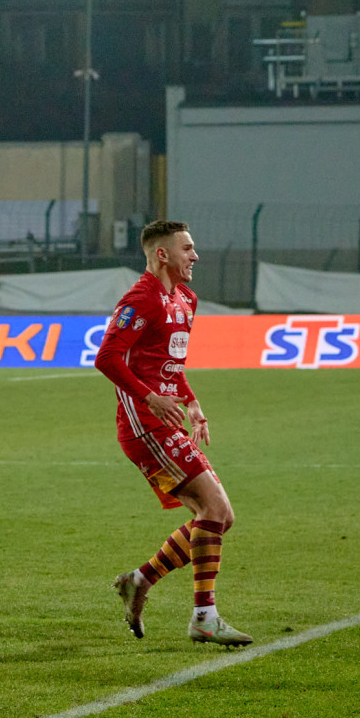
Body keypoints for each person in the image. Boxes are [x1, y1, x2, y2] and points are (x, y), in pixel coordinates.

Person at [97, 220, 251, 647]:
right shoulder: (140, 299)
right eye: (188, 248)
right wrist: (149, 398)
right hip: (143, 427)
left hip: (167, 421)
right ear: (161, 254)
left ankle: (139, 580)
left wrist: (191, 401)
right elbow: (107, 358)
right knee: (214, 510)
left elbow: (171, 366)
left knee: (220, 517)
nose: (195, 256)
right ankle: (204, 617)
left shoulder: (186, 299)